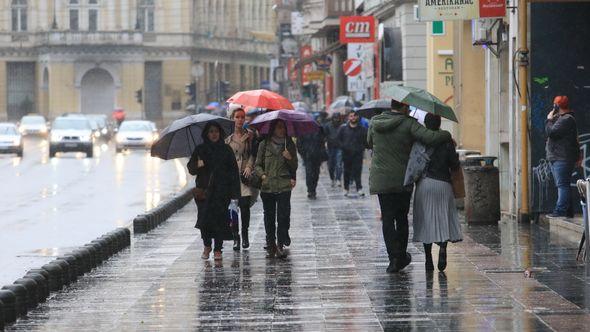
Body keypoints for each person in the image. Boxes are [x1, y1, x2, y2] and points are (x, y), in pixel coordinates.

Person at [368, 99, 451, 273]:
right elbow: (430, 137)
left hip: (381, 179)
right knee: (401, 218)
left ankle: (393, 259)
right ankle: (401, 255)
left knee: (388, 219)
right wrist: (447, 135)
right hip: (402, 179)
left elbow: (368, 142)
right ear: (404, 107)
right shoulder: (409, 123)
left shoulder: (375, 122)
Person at [411, 114, 462, 272]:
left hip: (424, 184)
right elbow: (454, 165)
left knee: (426, 221)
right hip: (443, 185)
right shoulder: (447, 141)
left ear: (425, 124)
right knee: (443, 219)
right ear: (440, 123)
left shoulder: (420, 141)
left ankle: (428, 258)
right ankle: (443, 249)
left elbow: (413, 164)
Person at [187, 122, 241, 261]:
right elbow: (191, 169)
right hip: (204, 192)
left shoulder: (226, 149)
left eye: (216, 131)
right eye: (211, 131)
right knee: (204, 221)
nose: (214, 134)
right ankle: (206, 245)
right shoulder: (200, 150)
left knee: (220, 221)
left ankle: (218, 249)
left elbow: (233, 172)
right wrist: (197, 165)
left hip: (221, 192)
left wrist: (235, 194)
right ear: (207, 133)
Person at [255, 120, 298, 258]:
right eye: (279, 127)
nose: (282, 130)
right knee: (269, 217)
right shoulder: (264, 144)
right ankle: (271, 244)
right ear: (273, 129)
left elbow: (295, 166)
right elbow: (257, 165)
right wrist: (263, 176)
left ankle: (280, 245)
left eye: (283, 127)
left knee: (283, 216)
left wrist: (289, 157)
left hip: (284, 186)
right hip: (267, 187)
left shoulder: (289, 144)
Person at [226, 106, 257, 250]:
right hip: (231, 177)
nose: (240, 120)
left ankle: (245, 235)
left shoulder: (250, 135)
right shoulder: (227, 137)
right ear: (232, 118)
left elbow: (252, 154)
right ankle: (235, 237)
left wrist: (249, 167)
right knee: (233, 208)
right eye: (237, 117)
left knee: (245, 207)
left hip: (244, 176)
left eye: (242, 117)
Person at [546, 95, 580, 218]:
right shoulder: (562, 118)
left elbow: (551, 132)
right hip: (558, 157)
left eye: (554, 104)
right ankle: (568, 211)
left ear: (557, 106)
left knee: (562, 185)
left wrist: (549, 119)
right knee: (563, 184)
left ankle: (560, 210)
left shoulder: (566, 119)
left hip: (562, 157)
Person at [337, 111, 368, 196]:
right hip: (346, 154)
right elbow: (338, 139)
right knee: (346, 171)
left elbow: (366, 141)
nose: (353, 118)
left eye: (354, 116)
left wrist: (362, 147)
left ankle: (359, 188)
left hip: (358, 154)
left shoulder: (362, 129)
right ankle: (346, 188)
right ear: (348, 117)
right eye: (351, 116)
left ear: (357, 117)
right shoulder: (343, 129)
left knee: (357, 171)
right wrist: (343, 146)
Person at [296, 117, 328, 199]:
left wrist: (321, 154)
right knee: (309, 173)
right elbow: (299, 144)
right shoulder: (303, 132)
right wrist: (303, 154)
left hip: (317, 157)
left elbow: (322, 143)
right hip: (308, 157)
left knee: (316, 174)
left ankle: (314, 188)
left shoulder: (319, 130)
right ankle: (310, 190)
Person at [324, 113, 343, 187]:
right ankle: (332, 178)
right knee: (330, 165)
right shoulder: (327, 125)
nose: (336, 120)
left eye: (338, 118)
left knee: (339, 164)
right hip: (330, 147)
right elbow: (324, 135)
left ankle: (338, 179)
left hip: (339, 147)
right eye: (335, 118)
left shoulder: (342, 126)